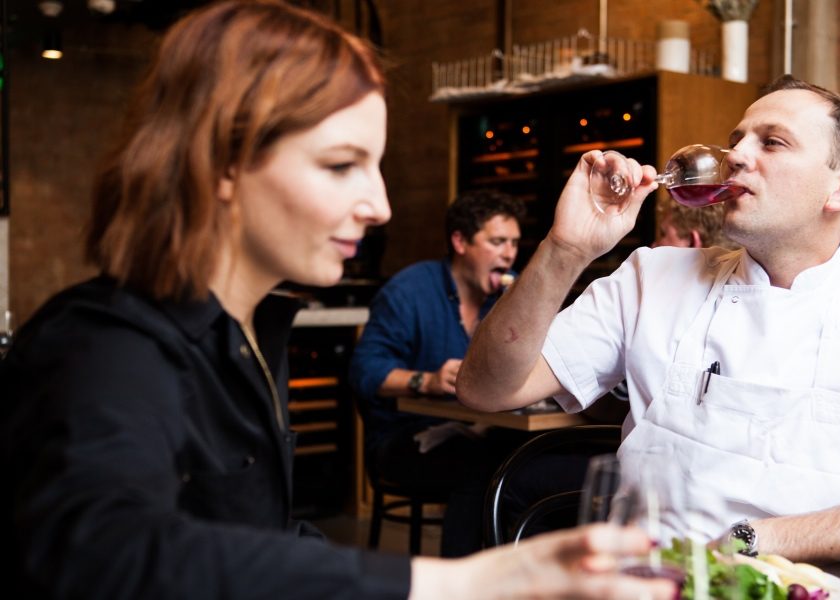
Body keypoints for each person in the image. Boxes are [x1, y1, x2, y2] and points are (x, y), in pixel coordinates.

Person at [0, 2, 679, 599]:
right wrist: (465, 582)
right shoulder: (105, 346)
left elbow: (255, 537)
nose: (379, 205)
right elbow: (106, 556)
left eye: (374, 166)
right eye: (339, 165)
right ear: (223, 163)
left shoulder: (247, 335)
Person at [458, 74, 840, 562]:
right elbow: (487, 389)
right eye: (736, 139)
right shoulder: (650, 276)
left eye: (773, 143)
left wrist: (751, 543)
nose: (737, 155)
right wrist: (564, 249)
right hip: (646, 583)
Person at [349, 190, 529, 557]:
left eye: (513, 243)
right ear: (460, 241)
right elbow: (364, 371)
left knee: (531, 463)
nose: (509, 254)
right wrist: (426, 380)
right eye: (497, 242)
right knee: (482, 469)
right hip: (402, 439)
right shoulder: (409, 291)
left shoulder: (507, 301)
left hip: (480, 432)